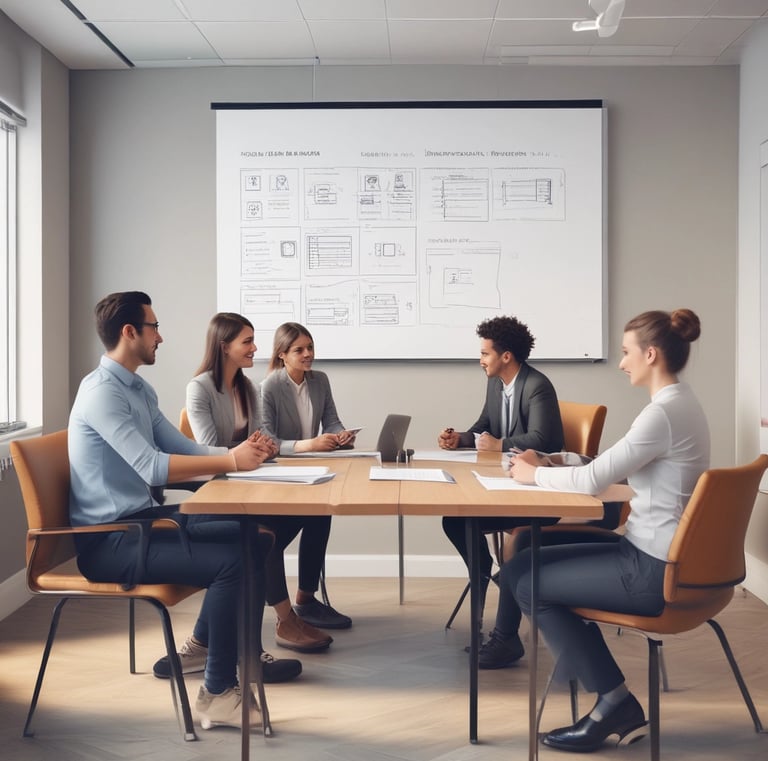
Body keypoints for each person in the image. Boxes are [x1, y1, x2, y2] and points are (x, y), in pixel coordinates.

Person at [499, 308, 710, 753]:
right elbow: (610, 466)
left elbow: (595, 483)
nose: (621, 362)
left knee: (529, 582)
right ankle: (599, 684)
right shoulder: (681, 404)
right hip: (657, 553)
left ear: (650, 354)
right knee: (521, 565)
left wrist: (531, 476)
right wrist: (556, 462)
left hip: (651, 569)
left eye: (626, 352)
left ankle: (612, 701)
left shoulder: (662, 415)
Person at [68, 291, 274, 730]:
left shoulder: (138, 387)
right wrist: (230, 461)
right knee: (233, 560)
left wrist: (238, 453)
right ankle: (218, 692)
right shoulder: (102, 394)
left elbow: (181, 448)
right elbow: (151, 465)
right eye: (154, 327)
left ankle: (214, 650)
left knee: (253, 534)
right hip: (109, 541)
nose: (160, 336)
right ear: (129, 332)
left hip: (141, 521)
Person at [152, 312, 303, 679]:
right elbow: (204, 448)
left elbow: (260, 436)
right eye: (247, 342)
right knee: (257, 539)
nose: (255, 348)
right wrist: (245, 449)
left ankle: (202, 643)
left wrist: (265, 445)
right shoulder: (200, 387)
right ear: (225, 347)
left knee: (293, 518)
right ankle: (249, 654)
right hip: (213, 485)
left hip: (246, 477)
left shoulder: (248, 387)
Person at [437, 315, 564, 646]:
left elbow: (546, 438)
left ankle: (503, 580)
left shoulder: (537, 385)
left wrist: (500, 445)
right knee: (454, 520)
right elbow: (485, 425)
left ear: (506, 356)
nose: (480, 361)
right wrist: (462, 438)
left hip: (535, 495)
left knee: (465, 521)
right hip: (506, 483)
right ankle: (484, 576)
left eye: (485, 354)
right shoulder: (496, 383)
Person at [259, 321, 357, 640]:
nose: (307, 354)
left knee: (321, 514)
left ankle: (306, 599)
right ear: (282, 354)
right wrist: (307, 445)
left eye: (310, 347)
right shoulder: (269, 386)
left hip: (310, 471)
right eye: (299, 350)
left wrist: (341, 435)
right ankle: (272, 586)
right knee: (278, 533)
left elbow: (331, 419)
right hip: (279, 472)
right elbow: (269, 439)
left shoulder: (320, 381)